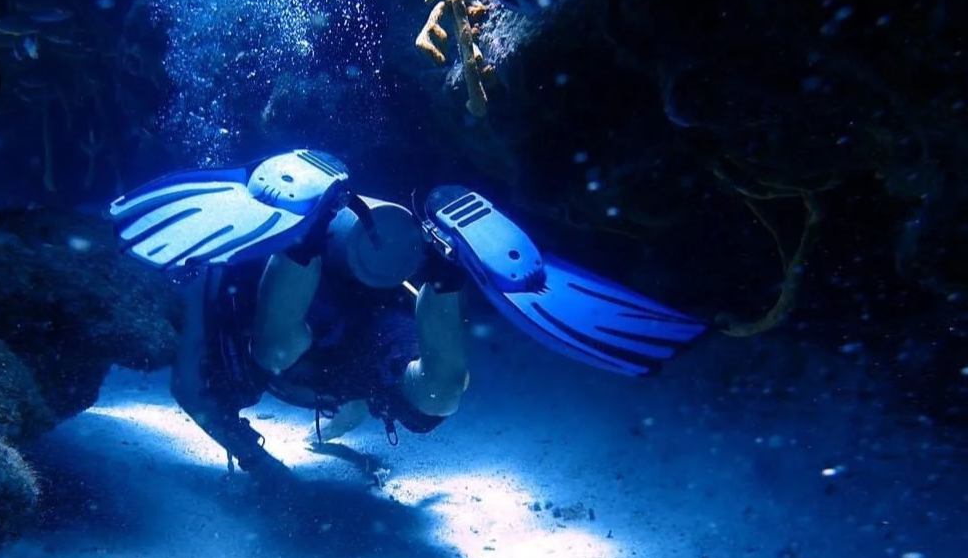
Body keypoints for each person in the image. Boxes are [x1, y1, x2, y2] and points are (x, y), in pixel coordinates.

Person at [109, 149, 705, 480]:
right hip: (365, 303)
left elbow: (192, 389)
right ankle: (443, 271)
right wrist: (327, 440)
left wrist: (259, 463)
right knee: (437, 395)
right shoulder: (349, 389)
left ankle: (307, 238)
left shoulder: (204, 294)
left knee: (276, 350)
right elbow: (346, 410)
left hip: (303, 315)